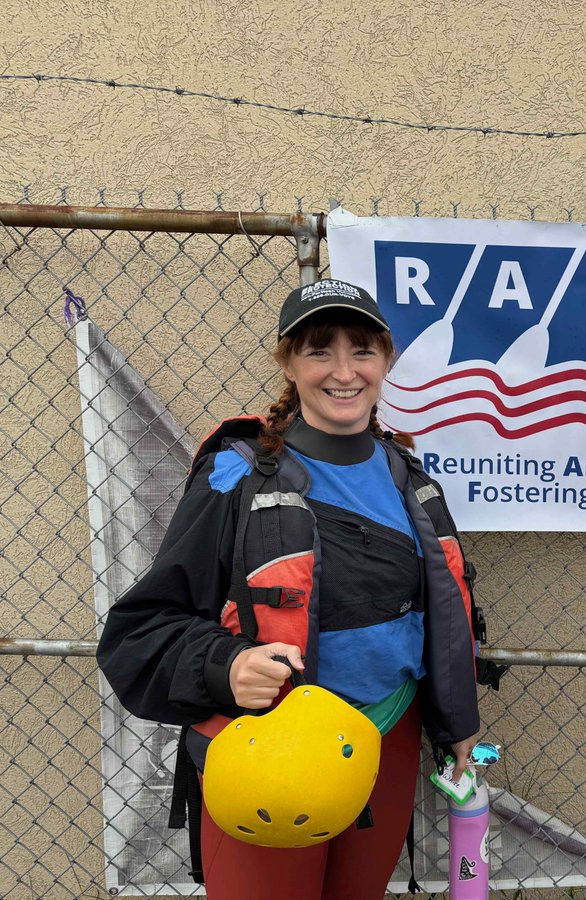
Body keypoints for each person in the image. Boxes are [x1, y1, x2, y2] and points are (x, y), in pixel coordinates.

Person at [98, 278, 482, 900]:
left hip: (385, 739)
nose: (343, 371)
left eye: (361, 350)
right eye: (318, 351)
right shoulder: (238, 474)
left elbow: (435, 619)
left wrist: (455, 725)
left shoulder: (410, 479)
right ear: (287, 362)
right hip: (268, 752)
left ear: (387, 358)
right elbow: (139, 632)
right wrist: (227, 666)